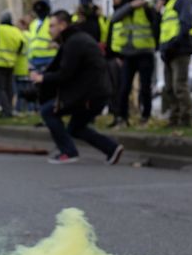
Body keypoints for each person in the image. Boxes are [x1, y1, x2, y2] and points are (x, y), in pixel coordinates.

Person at [30, 10, 124, 165]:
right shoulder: (76, 40)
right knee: (76, 127)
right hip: (97, 92)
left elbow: (66, 73)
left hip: (89, 95)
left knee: (48, 111)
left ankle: (68, 152)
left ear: (63, 25)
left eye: (52, 26)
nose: (49, 30)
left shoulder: (74, 42)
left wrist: (43, 78)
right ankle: (112, 148)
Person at [106, 0, 160, 128]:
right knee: (124, 88)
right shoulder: (124, 8)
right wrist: (130, 6)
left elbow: (156, 25)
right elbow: (115, 19)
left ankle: (145, 117)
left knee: (145, 87)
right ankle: (123, 118)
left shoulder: (146, 8)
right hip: (128, 55)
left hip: (145, 53)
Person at [156, 0, 192, 128]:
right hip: (169, 52)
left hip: (179, 50)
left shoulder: (181, 0)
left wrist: (172, 44)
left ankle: (186, 119)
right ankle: (174, 119)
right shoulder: (169, 5)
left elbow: (185, 24)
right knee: (169, 88)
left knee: (179, 86)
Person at [0, 14, 24, 117]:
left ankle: (6, 111)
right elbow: (21, 45)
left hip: (0, 65)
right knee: (9, 89)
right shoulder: (16, 31)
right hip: (11, 64)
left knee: (0, 88)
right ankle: (9, 110)